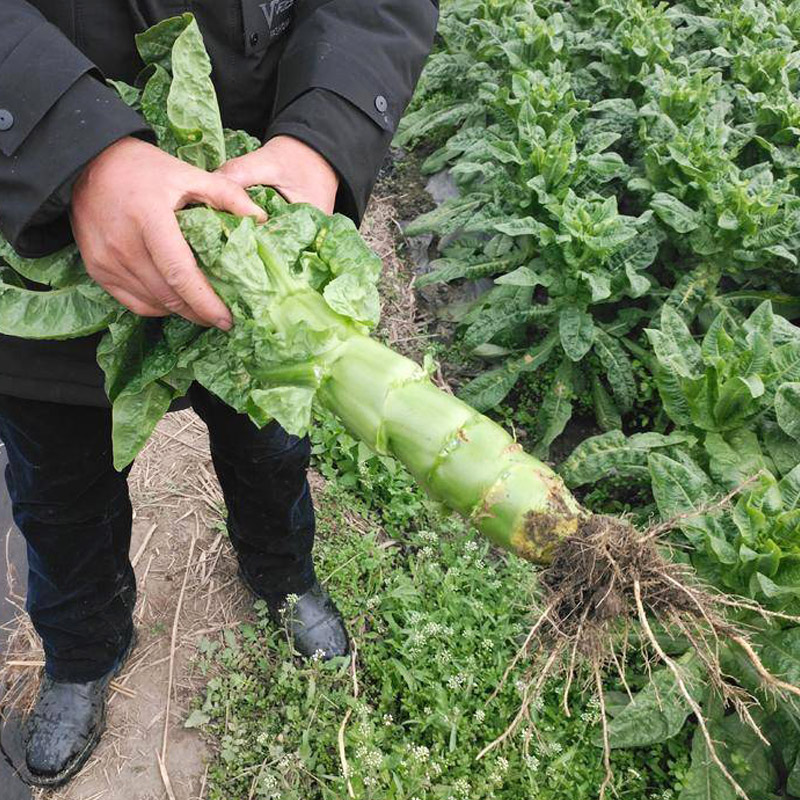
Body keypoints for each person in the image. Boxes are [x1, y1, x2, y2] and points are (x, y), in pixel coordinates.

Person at [0, 0, 438, 787]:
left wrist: (323, 130)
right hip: (35, 214)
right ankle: (82, 651)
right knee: (58, 488)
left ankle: (282, 577)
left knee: (269, 446)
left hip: (250, 192)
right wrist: (68, 144)